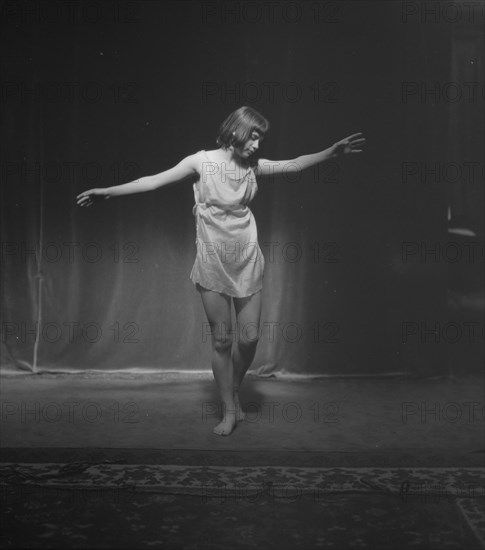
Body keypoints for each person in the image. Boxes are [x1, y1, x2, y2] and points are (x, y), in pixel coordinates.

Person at [77, 106, 365, 436]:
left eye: (261, 139)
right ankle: (230, 409)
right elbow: (153, 182)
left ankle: (233, 390)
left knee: (250, 336)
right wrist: (106, 193)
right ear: (235, 132)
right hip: (213, 260)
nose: (257, 145)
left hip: (245, 258)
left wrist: (331, 152)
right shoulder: (201, 161)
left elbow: (295, 164)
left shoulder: (255, 167)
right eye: (253, 137)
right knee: (222, 340)